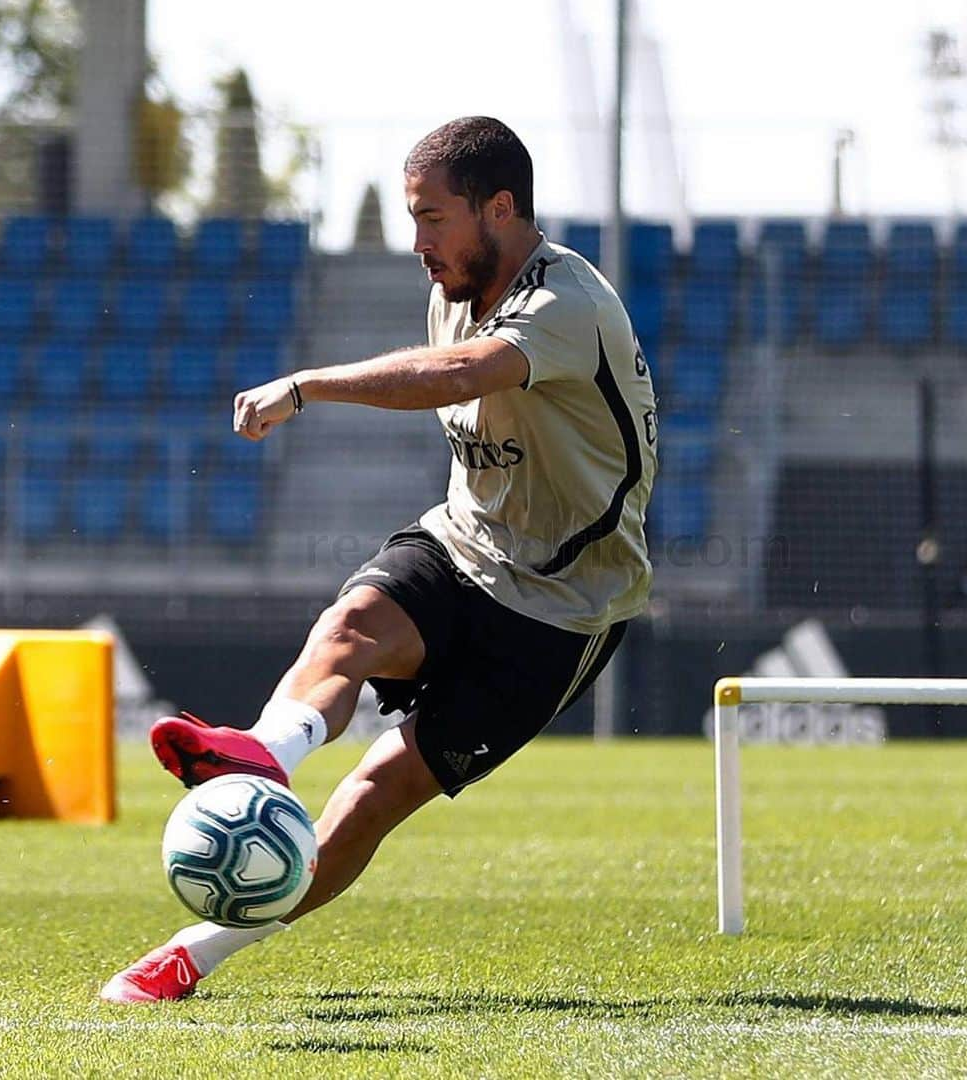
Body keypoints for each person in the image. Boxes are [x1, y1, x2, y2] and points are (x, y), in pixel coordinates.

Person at [101, 116, 658, 1004]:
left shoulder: (568, 304)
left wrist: (307, 384)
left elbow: (453, 377)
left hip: (563, 606)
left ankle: (195, 952)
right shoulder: (455, 282)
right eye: (413, 218)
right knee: (351, 624)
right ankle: (262, 756)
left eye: (433, 218)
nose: (418, 243)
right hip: (463, 543)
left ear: (501, 208)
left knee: (372, 793)